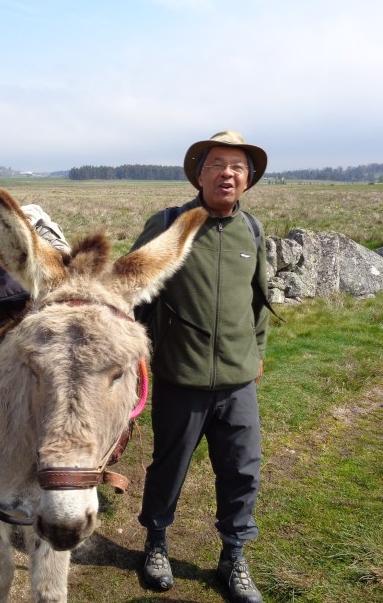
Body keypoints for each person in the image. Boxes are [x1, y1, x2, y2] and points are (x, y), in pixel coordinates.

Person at [131, 130, 270, 603]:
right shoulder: (169, 224)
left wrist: (257, 355)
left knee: (242, 469)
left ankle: (234, 556)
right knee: (169, 467)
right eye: (217, 164)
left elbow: (259, 300)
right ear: (200, 173)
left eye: (237, 167)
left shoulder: (252, 230)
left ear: (247, 180)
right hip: (178, 377)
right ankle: (155, 543)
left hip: (237, 381)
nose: (227, 174)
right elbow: (133, 292)